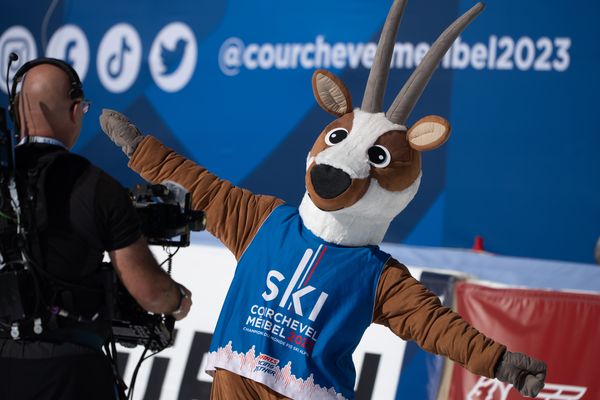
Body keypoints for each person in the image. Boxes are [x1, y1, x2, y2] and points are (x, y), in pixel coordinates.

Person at [0, 58, 192, 400]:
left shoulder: (5, 181)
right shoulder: (97, 187)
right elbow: (149, 292)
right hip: (71, 372)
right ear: (75, 111)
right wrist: (177, 300)